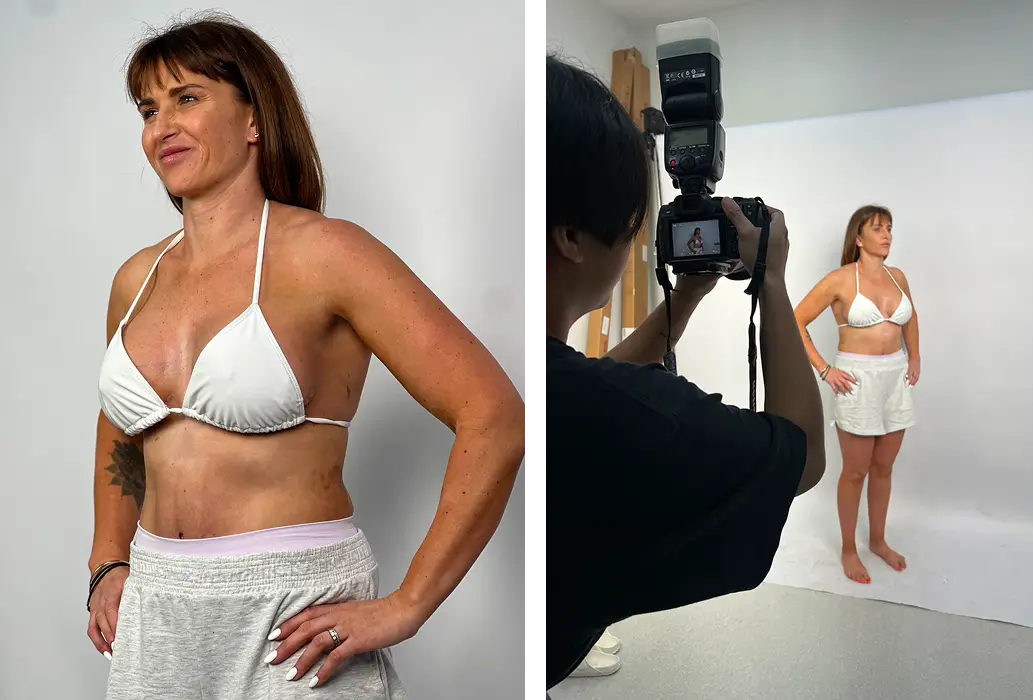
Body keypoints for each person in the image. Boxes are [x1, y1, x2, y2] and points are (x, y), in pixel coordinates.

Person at [86, 14, 527, 699]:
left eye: (188, 98)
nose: (160, 125)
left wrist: (408, 605)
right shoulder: (135, 278)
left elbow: (493, 416)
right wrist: (107, 559)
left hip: (293, 616)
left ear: (255, 118)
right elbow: (123, 426)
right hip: (159, 606)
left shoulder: (330, 255)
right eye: (149, 109)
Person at [541, 53, 828, 695]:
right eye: (630, 223)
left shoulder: (498, 370)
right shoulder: (625, 413)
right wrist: (772, 282)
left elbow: (589, 383)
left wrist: (688, 295)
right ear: (570, 235)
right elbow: (801, 458)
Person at [793, 206, 920, 584]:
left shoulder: (898, 278)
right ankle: (849, 549)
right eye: (878, 228)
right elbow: (794, 319)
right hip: (856, 381)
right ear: (858, 238)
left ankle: (878, 541)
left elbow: (911, 319)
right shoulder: (840, 280)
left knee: (884, 467)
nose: (887, 235)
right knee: (855, 471)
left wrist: (915, 357)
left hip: (895, 378)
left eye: (890, 228)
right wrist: (824, 369)